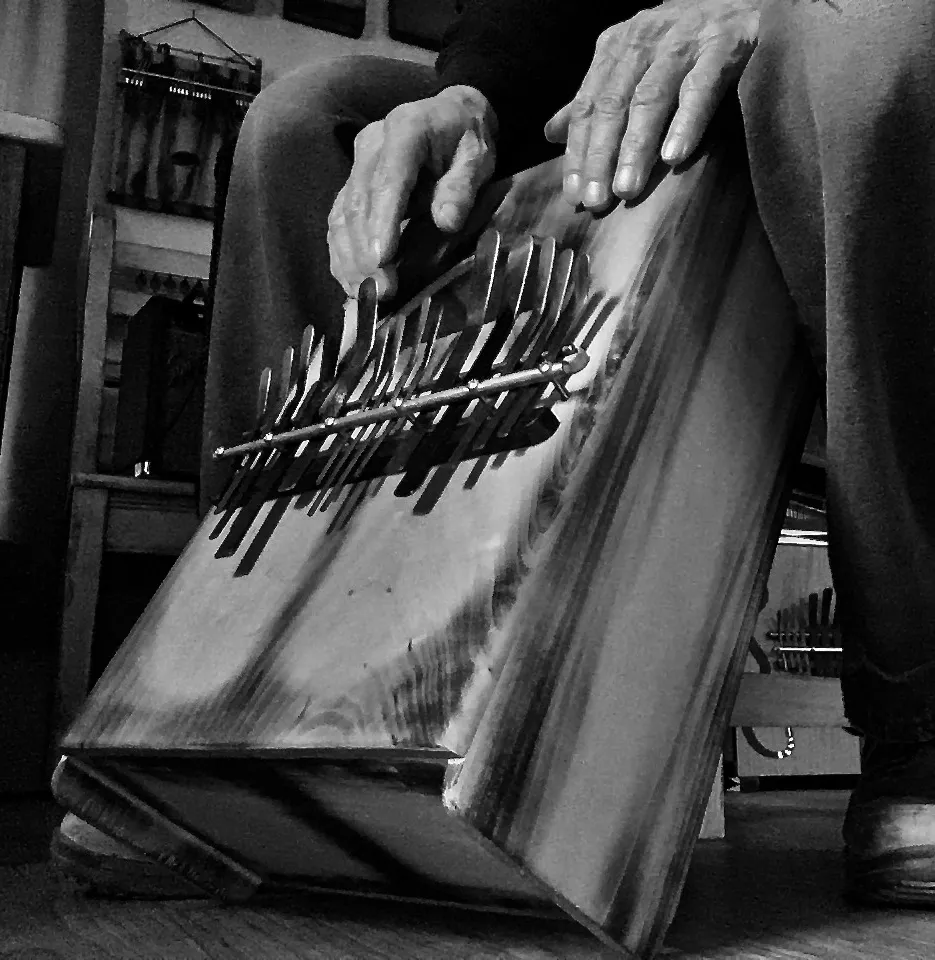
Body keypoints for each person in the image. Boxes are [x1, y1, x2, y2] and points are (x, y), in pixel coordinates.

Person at [63, 0, 935, 909]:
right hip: (644, 127)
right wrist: (470, 93)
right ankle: (248, 713)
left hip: (844, 144)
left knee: (868, 38)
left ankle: (918, 727)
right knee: (308, 120)